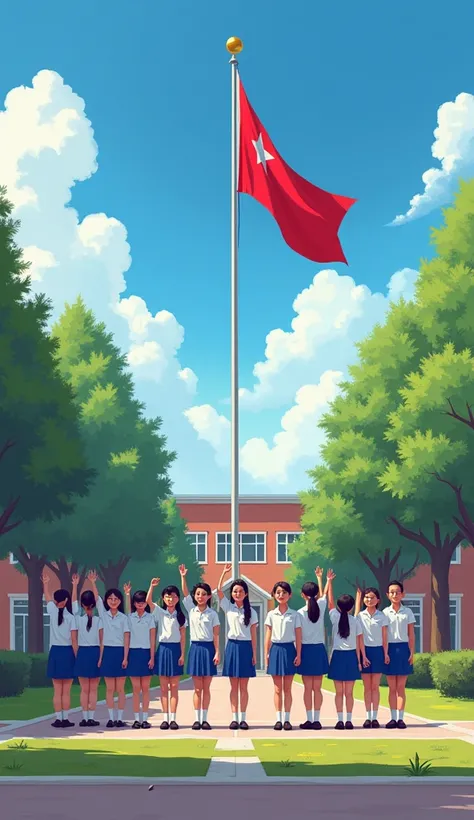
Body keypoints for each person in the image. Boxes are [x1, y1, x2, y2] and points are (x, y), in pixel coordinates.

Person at [217, 564, 258, 730]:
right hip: (232, 646)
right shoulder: (228, 607)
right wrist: (223, 573)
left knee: (244, 686)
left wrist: (254, 654)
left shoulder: (252, 612)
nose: (237, 594)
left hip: (246, 647)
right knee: (233, 686)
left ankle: (243, 718)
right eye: (235, 591)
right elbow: (218, 591)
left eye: (240, 591)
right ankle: (234, 718)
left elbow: (254, 635)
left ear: (246, 593)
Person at [179, 564, 220, 730]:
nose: (200, 597)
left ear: (209, 596)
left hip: (208, 649)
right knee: (197, 688)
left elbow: (216, 635)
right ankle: (197, 719)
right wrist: (183, 576)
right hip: (195, 648)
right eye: (198, 594)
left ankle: (205, 719)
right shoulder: (191, 610)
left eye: (204, 594)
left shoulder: (213, 614)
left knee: (206, 687)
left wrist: (217, 652)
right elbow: (185, 593)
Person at [89, 572, 130, 728]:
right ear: (107, 600)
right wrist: (93, 582)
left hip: (120, 652)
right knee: (109, 688)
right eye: (110, 599)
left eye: (116, 599)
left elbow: (127, 638)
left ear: (120, 601)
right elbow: (97, 598)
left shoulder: (124, 618)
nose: (113, 601)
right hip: (107, 653)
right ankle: (111, 719)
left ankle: (119, 718)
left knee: (120, 689)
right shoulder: (103, 615)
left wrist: (125, 657)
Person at [327, 570, 367, 729]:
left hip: (337, 656)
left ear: (338, 606)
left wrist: (329, 582)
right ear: (350, 608)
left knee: (338, 692)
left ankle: (339, 720)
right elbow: (359, 643)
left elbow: (330, 602)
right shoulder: (356, 621)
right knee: (349, 693)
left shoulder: (334, 617)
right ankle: (349, 720)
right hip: (351, 657)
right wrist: (359, 597)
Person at [146, 577, 187, 730]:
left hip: (175, 650)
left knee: (174, 686)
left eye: (174, 596)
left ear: (178, 598)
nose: (171, 599)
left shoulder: (181, 616)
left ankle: (174, 719)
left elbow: (183, 638)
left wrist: (182, 655)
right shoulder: (159, 612)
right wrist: (152, 586)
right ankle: (165, 718)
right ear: (163, 598)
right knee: (163, 688)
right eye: (168, 596)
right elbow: (148, 601)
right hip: (162, 650)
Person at [41, 570, 78, 729]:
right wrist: (75, 586)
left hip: (55, 652)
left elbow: (47, 597)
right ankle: (65, 718)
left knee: (57, 690)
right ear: (66, 600)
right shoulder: (72, 617)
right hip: (68, 652)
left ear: (56, 601)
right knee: (66, 690)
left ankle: (58, 719)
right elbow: (74, 640)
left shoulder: (51, 610)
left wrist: (46, 584)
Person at [265, 580, 302, 731]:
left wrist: (299, 654)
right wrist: (267, 653)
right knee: (277, 689)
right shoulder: (271, 614)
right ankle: (278, 719)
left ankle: (287, 719)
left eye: (284, 592)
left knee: (287, 688)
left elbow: (298, 636)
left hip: (289, 650)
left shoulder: (295, 615)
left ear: (289, 595)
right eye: (278, 592)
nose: (281, 595)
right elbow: (268, 635)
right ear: (273, 595)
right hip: (276, 649)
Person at [298, 568, 330, 730]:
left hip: (305, 651)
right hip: (318, 650)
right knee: (317, 688)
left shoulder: (299, 613)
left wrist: (320, 578)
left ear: (302, 595)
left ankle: (309, 719)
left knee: (307, 688)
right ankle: (317, 720)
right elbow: (323, 595)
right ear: (316, 594)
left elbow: (320, 595)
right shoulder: (322, 605)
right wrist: (321, 578)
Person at [355, 587, 390, 728]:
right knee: (366, 687)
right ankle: (367, 716)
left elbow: (385, 637)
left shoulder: (382, 616)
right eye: (367, 597)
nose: (369, 600)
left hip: (377, 652)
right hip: (365, 651)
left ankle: (374, 717)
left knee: (375, 686)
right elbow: (359, 638)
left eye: (372, 597)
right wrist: (363, 657)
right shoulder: (359, 616)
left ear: (378, 600)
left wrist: (386, 653)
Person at [71, 572, 103, 727]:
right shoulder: (99, 620)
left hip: (82, 654)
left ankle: (84, 718)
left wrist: (75, 585)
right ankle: (91, 717)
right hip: (95, 653)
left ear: (83, 604)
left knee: (84, 689)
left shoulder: (77, 618)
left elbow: (74, 640)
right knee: (93, 689)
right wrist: (93, 583)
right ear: (94, 605)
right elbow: (102, 642)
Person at [383, 580, 416, 729]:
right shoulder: (384, 613)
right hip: (389, 649)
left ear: (403, 594)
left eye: (397, 592)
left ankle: (401, 718)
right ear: (388, 595)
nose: (395, 595)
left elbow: (411, 634)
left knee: (401, 687)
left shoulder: (407, 612)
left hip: (403, 649)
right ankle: (392, 718)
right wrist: (385, 653)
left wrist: (411, 652)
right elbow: (383, 635)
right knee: (392, 687)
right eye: (392, 592)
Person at [124, 587, 156, 729]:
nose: (140, 604)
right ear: (134, 603)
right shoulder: (130, 618)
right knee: (136, 689)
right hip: (134, 653)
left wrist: (152, 657)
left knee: (146, 688)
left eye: (143, 602)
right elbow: (127, 638)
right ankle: (137, 719)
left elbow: (152, 638)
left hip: (146, 654)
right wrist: (126, 658)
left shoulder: (150, 618)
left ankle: (145, 719)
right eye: (137, 602)